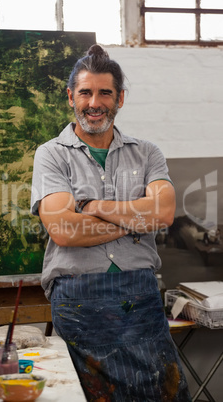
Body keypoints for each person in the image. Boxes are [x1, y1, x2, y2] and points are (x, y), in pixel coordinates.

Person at [31, 44, 191, 402]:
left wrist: (94, 206)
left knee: (165, 394)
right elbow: (65, 230)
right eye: (86, 92)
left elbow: (163, 214)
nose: (95, 102)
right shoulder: (51, 155)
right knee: (89, 396)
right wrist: (137, 220)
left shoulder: (147, 152)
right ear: (71, 96)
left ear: (120, 98)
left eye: (105, 92)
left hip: (142, 296)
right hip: (78, 301)